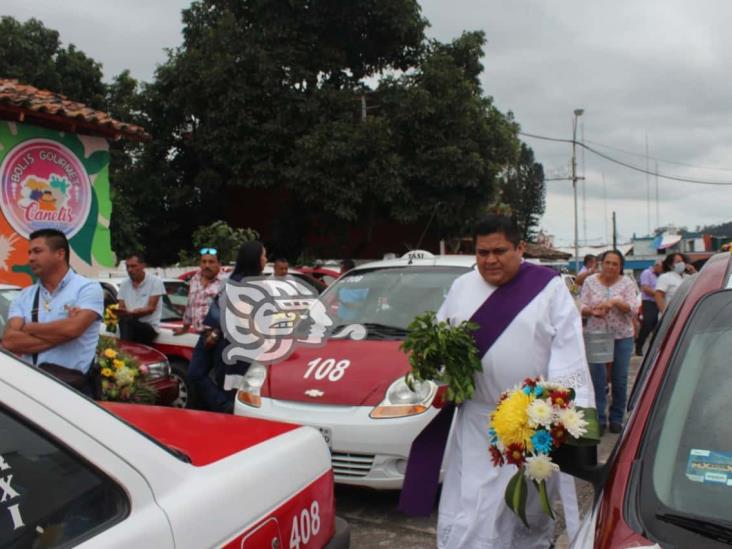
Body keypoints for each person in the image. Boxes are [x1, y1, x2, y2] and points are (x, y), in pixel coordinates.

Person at [432, 215, 594, 548]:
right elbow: (441, 341)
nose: (490, 260)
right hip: (475, 424)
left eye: (499, 251)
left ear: (520, 248)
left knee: (517, 513)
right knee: (472, 509)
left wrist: (560, 416)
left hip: (529, 427)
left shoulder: (549, 289)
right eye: (482, 252)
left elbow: (569, 355)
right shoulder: (462, 287)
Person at [3, 229, 103, 395]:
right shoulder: (24, 295)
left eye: (37, 251)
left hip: (74, 389)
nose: (30, 258)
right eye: (29, 252)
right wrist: (65, 334)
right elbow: (9, 341)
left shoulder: (87, 289)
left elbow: (73, 329)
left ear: (60, 254)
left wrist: (28, 328)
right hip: (32, 389)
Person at [188, 240, 267, 412]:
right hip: (226, 342)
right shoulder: (238, 283)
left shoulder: (249, 284)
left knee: (231, 387)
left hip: (234, 345)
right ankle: (225, 407)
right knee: (200, 375)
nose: (266, 259)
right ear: (254, 258)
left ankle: (225, 408)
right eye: (263, 255)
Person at [580, 250, 640, 434]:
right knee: (597, 379)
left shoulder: (627, 283)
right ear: (601, 264)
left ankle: (617, 418)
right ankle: (599, 419)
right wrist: (592, 311)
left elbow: (633, 309)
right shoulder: (590, 282)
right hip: (596, 335)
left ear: (621, 267)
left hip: (621, 336)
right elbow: (580, 305)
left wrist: (614, 302)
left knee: (619, 379)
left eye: (615, 264)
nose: (611, 267)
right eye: (608, 263)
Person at [173, 248, 225, 335]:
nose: (207, 265)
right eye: (204, 262)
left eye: (211, 262)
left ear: (219, 264)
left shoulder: (226, 282)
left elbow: (230, 313)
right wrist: (185, 328)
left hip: (219, 336)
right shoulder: (194, 280)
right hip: (201, 334)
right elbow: (190, 306)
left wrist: (215, 335)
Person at [117, 254, 166, 345]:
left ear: (143, 266)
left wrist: (130, 313)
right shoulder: (124, 283)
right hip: (130, 324)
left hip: (148, 326)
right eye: (127, 267)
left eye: (133, 266)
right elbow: (121, 307)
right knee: (125, 321)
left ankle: (125, 351)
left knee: (127, 322)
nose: (130, 270)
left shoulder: (155, 281)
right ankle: (126, 352)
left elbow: (150, 308)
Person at [635, 259, 663, 355]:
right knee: (647, 324)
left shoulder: (661, 276)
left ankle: (652, 349)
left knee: (657, 326)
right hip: (648, 302)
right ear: (657, 266)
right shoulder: (647, 273)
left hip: (658, 302)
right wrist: (658, 294)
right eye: (661, 268)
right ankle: (639, 346)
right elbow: (645, 288)